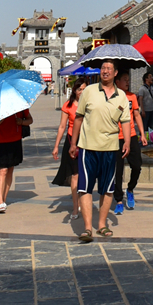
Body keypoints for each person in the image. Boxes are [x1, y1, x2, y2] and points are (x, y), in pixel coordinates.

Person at [69, 59, 131, 242]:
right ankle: (87, 228)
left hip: (111, 148)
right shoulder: (88, 91)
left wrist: (126, 141)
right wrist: (74, 143)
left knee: (108, 189)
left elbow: (126, 121)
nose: (105, 71)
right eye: (103, 68)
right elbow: (79, 118)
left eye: (109, 69)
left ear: (115, 73)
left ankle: (102, 225)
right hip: (88, 147)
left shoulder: (121, 96)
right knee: (85, 187)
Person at [51, 77, 88, 219]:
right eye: (79, 89)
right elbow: (62, 127)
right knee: (75, 175)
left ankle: (83, 200)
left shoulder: (90, 104)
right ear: (75, 90)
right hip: (72, 141)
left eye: (85, 89)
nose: (82, 92)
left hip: (87, 141)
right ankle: (75, 208)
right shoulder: (68, 105)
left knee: (85, 174)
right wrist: (56, 146)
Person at [113, 69, 147, 214]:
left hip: (132, 136)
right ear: (117, 82)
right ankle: (119, 200)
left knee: (137, 165)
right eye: (124, 79)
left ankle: (131, 189)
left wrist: (142, 134)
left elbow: (137, 115)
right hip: (116, 138)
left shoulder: (132, 96)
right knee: (118, 171)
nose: (127, 82)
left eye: (128, 79)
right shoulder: (112, 97)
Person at [0, 106, 33, 213]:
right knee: (2, 171)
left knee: (10, 170)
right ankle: (0, 201)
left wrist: (21, 122)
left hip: (15, 141)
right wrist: (3, 118)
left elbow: (30, 120)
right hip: (1, 141)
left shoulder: (20, 106)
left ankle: (4, 199)